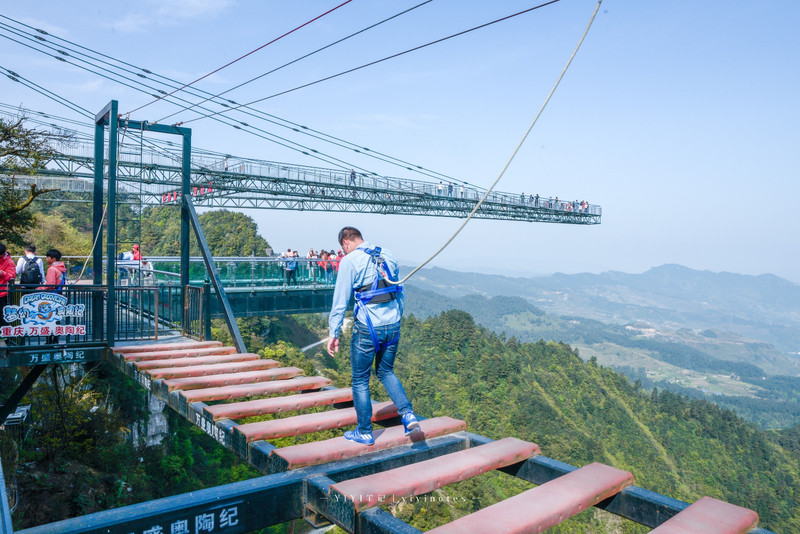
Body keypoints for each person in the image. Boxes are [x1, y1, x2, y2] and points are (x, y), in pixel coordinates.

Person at [327, 226, 418, 445]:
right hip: (393, 325)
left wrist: (334, 332)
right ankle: (408, 414)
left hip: (368, 328)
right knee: (386, 371)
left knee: (360, 380)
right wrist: (396, 318)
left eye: (344, 249)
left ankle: (365, 432)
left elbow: (340, 301)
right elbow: (400, 290)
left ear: (345, 243)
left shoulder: (349, 261)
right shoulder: (387, 254)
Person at [0, 243, 17, 330]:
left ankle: (4, 336)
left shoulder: (9, 262)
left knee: (2, 316)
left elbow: (12, 276)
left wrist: (2, 273)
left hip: (2, 293)